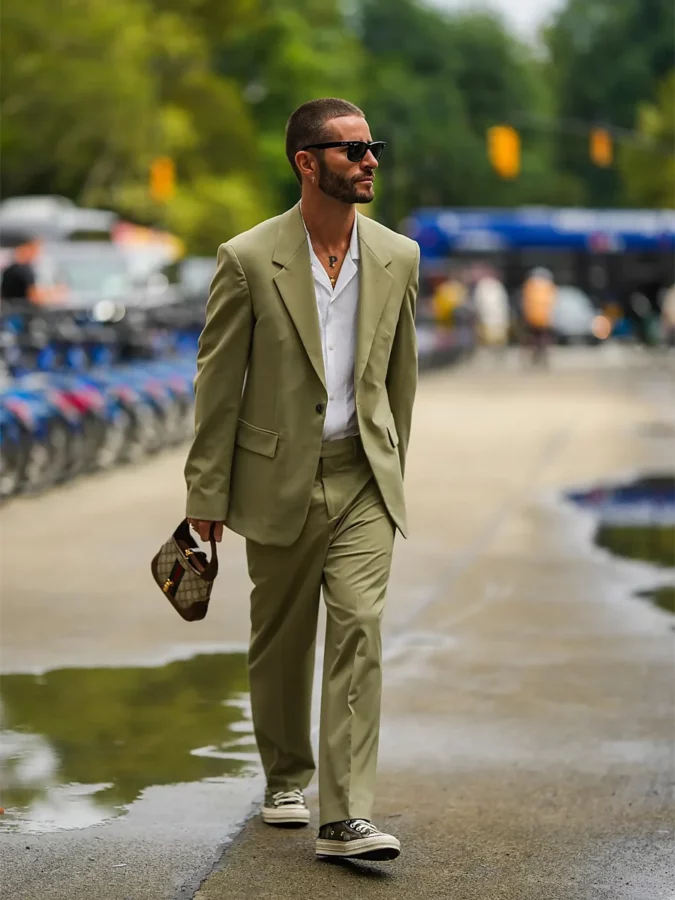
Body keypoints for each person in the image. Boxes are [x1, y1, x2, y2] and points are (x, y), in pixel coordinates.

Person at [184, 98, 419, 862]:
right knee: (280, 642)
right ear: (306, 163)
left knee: (358, 629)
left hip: (361, 477)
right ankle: (285, 776)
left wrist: (390, 465)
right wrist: (205, 497)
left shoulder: (397, 256)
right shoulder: (248, 257)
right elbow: (217, 385)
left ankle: (346, 815)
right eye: (351, 151)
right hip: (276, 478)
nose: (369, 161)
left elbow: (400, 377)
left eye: (371, 147)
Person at [521, 266, 556, 365]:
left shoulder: (530, 285)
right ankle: (542, 356)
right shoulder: (548, 286)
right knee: (543, 339)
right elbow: (552, 302)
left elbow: (525, 302)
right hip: (544, 318)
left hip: (532, 318)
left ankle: (536, 356)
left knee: (533, 339)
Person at [0, 241, 38, 307]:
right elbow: (33, 295)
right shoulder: (26, 271)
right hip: (23, 310)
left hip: (8, 309)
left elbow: (3, 294)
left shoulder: (8, 269)